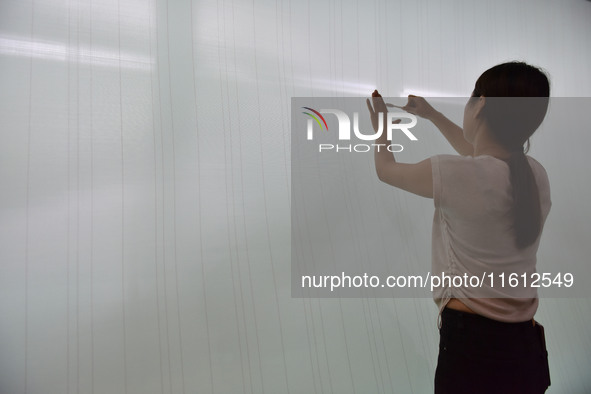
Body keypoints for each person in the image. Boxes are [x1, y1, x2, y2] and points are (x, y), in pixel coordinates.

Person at [366, 61, 552, 393]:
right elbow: (481, 158)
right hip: (525, 347)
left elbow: (386, 169)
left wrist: (380, 123)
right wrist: (432, 114)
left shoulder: (455, 174)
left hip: (473, 348)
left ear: (481, 103)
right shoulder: (535, 175)